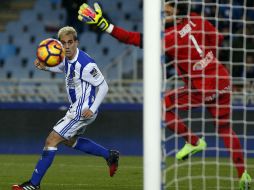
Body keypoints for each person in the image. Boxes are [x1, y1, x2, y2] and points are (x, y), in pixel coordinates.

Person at [77, 1, 252, 189]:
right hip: (222, 79)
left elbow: (132, 38)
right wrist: (204, 59)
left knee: (161, 106)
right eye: (163, 11)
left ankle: (193, 141)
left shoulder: (168, 38)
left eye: (168, 10)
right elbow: (217, 39)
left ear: (179, 12)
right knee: (225, 129)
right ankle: (244, 175)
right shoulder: (197, 19)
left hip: (202, 87)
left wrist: (104, 24)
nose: (164, 13)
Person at [12, 26, 119, 190]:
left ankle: (33, 184)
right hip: (77, 108)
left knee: (51, 139)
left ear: (76, 42)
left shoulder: (86, 63)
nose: (67, 46)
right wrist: (46, 67)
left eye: (70, 42)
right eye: (63, 43)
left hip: (82, 110)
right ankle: (109, 155)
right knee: (69, 141)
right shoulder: (67, 59)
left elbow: (104, 86)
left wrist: (92, 108)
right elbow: (64, 68)